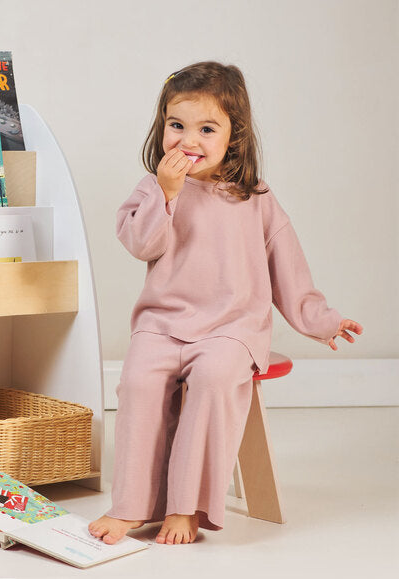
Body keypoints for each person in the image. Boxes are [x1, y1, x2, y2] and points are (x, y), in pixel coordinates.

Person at [88, 61, 362, 546]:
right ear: (162, 127)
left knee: (214, 379)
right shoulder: (152, 189)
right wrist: (166, 195)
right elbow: (141, 244)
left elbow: (288, 271)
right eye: (177, 126)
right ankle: (131, 506)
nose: (188, 140)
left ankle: (186, 507)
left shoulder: (254, 198)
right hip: (162, 323)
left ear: (233, 137)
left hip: (231, 328)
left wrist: (322, 320)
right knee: (137, 382)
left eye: (206, 128)